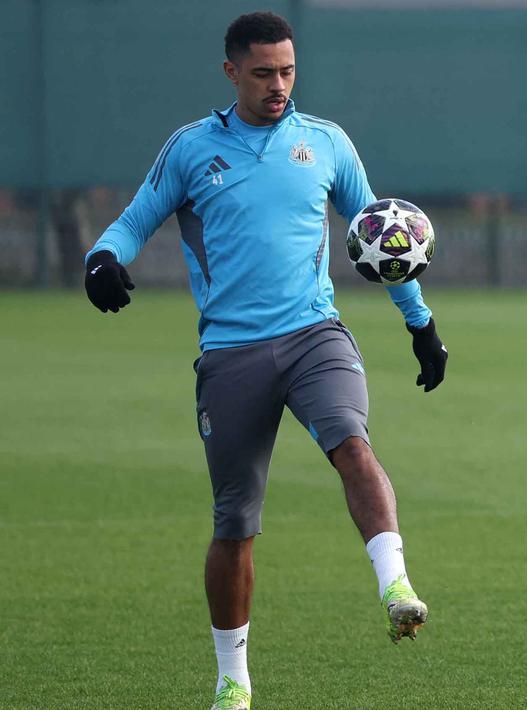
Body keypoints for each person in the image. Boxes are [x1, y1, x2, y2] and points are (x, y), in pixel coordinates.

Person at [82, 12, 448, 710]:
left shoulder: (326, 144)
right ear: (230, 73)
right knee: (234, 525)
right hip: (231, 355)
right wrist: (103, 257)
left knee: (351, 444)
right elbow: (135, 218)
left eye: (286, 71)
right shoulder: (191, 149)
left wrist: (421, 324)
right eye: (262, 73)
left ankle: (395, 584)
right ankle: (232, 681)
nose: (278, 85)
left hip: (316, 335)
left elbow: (382, 236)